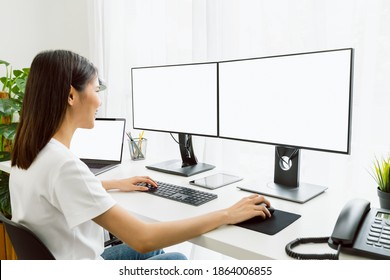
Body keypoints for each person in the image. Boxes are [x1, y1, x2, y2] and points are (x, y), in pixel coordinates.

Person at [9, 50, 272, 260]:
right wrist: (228, 214)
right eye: (96, 90)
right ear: (70, 95)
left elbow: (59, 189)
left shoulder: (29, 152)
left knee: (154, 253)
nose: (99, 102)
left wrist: (114, 184)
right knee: (176, 260)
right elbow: (143, 237)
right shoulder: (64, 165)